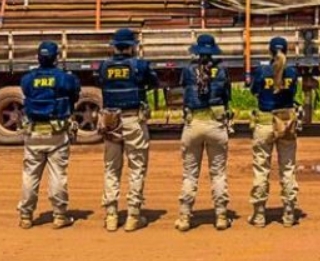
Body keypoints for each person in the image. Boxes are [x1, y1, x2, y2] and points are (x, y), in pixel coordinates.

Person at [97, 28, 160, 232]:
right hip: (133, 119)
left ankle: (111, 215)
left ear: (114, 46)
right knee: (137, 166)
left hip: (110, 120)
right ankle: (133, 214)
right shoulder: (139, 66)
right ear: (132, 46)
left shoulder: (104, 66)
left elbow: (102, 82)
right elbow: (154, 81)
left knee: (111, 168)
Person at [17, 40, 81, 230]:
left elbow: (26, 93)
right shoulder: (64, 78)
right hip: (57, 133)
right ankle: (60, 215)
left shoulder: (28, 79)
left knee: (30, 175)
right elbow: (75, 94)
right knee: (58, 174)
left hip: (34, 133)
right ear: (56, 58)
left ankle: (26, 215)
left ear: (38, 57)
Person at [174, 33, 233, 232]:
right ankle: (221, 216)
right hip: (216, 125)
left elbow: (185, 90)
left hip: (193, 125)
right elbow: (226, 96)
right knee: (218, 173)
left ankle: (184, 217)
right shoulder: (223, 71)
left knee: (190, 174)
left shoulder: (189, 70)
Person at [248, 36, 301, 228]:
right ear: (286, 51)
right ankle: (288, 213)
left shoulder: (261, 70)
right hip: (285, 123)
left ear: (270, 52)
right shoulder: (292, 72)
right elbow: (293, 93)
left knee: (262, 168)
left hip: (264, 123)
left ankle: (260, 214)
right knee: (287, 168)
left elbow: (254, 90)